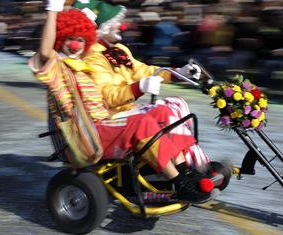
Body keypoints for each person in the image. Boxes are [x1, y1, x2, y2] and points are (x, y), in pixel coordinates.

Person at [29, 0, 213, 204]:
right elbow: (45, 52)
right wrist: (53, 10)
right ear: (60, 38)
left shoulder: (84, 66)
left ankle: (185, 171)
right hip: (86, 134)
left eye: (81, 40)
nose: (75, 44)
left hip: (105, 122)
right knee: (141, 122)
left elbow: (142, 71)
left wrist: (178, 73)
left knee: (161, 113)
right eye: (70, 38)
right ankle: (179, 182)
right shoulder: (58, 68)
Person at [72, 0, 215, 174]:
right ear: (103, 28)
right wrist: (138, 87)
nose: (120, 25)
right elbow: (107, 96)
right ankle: (190, 169)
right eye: (114, 21)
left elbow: (145, 71)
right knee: (169, 108)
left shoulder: (119, 48)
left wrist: (179, 73)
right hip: (109, 118)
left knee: (175, 104)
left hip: (126, 111)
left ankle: (190, 165)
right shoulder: (92, 58)